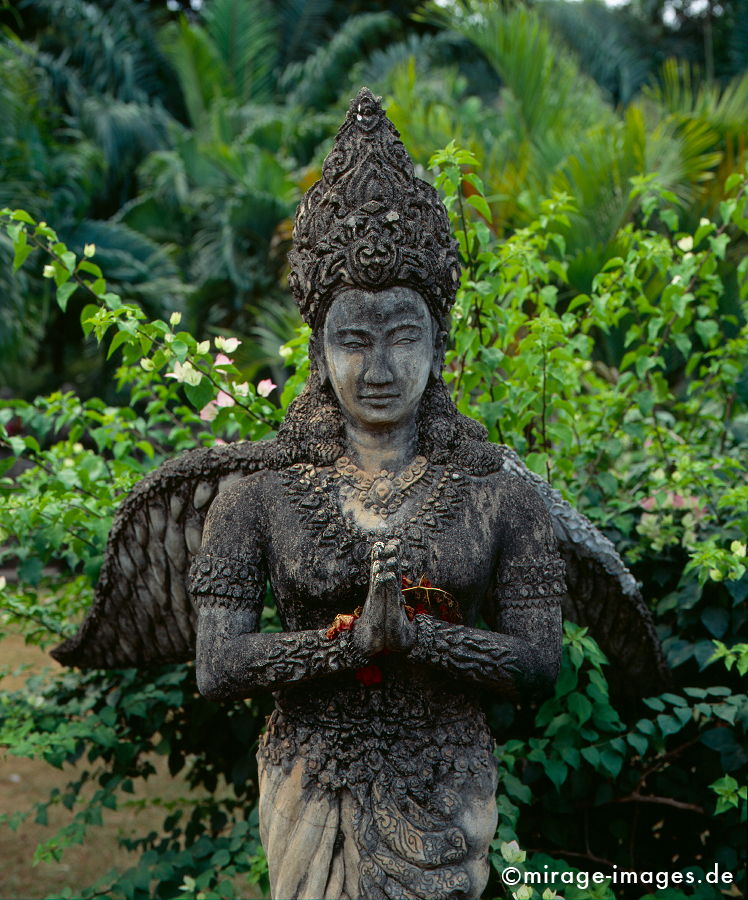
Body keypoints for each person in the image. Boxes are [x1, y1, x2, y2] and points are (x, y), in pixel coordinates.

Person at [190, 90, 565, 900]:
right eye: (354, 341)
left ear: (438, 342)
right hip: (309, 786)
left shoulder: (502, 498)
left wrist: (418, 640)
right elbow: (217, 664)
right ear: (319, 351)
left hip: (447, 785)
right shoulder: (254, 498)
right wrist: (347, 645)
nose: (381, 369)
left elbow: (539, 663)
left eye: (403, 337)